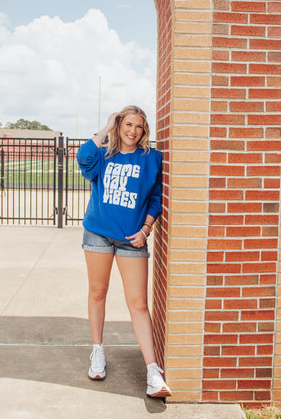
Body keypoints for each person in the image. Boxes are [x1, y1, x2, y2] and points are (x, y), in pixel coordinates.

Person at [76, 105, 171, 398]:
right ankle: (97, 352)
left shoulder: (151, 159)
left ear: (145, 131)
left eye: (138, 126)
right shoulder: (104, 156)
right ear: (120, 126)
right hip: (98, 235)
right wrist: (106, 128)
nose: (132, 131)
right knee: (97, 293)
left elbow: (155, 199)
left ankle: (153, 372)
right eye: (127, 124)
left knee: (139, 304)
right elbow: (82, 159)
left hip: (133, 240)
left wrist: (145, 230)